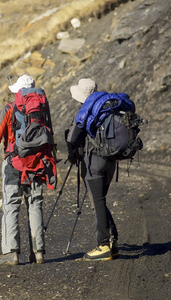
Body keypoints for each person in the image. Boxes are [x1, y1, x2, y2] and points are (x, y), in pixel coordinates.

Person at [0, 74, 47, 265]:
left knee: (11, 205)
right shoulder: (41, 108)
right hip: (37, 163)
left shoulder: (9, 109)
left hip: (13, 164)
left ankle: (11, 252)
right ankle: (39, 251)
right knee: (35, 203)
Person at [65, 78, 119, 261]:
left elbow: (72, 139)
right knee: (100, 200)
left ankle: (103, 245)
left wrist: (73, 155)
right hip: (111, 160)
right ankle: (113, 242)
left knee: (97, 202)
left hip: (95, 162)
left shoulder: (86, 110)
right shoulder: (107, 106)